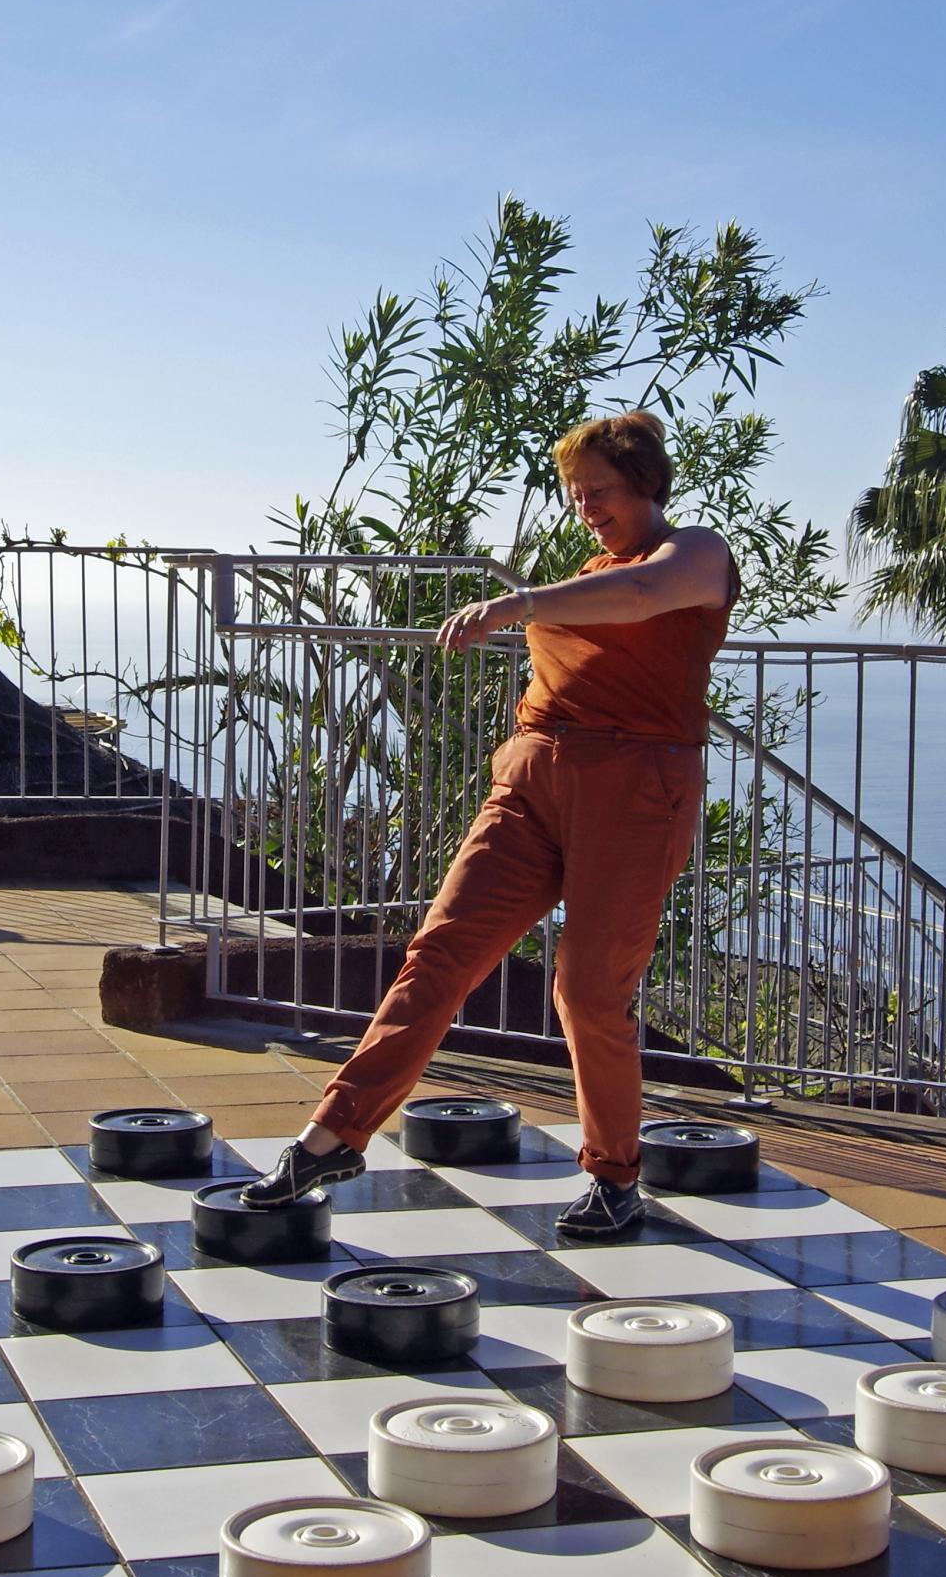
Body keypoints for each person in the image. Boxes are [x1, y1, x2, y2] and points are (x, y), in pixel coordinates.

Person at [244, 411, 734, 1240]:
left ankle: (614, 1175)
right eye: (574, 494)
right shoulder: (591, 567)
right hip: (533, 776)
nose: (584, 507)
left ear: (645, 482)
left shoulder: (694, 553)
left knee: (585, 989)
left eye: (599, 490)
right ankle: (333, 1135)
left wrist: (519, 603)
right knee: (439, 954)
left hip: (635, 787)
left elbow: (644, 597)